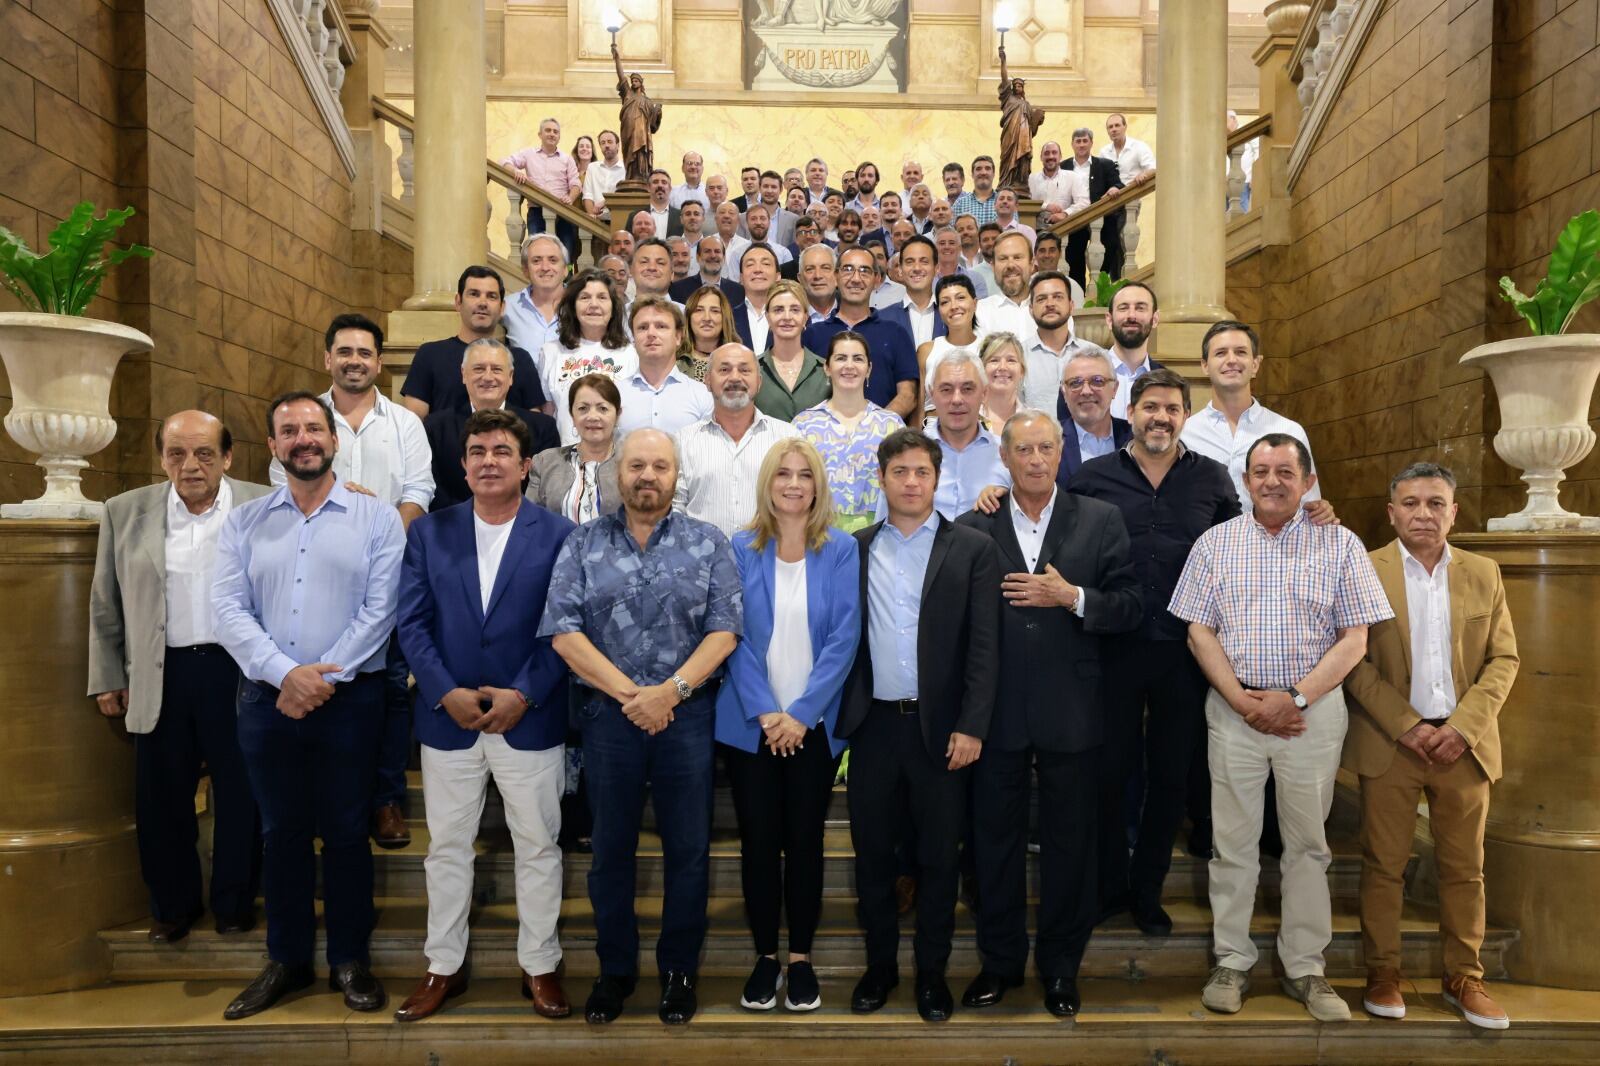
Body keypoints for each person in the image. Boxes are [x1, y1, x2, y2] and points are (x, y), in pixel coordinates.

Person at [1169, 433, 1393, 1023]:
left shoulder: (1340, 544)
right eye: (1261, 471)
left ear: (1307, 479)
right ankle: (1232, 960)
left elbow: (1355, 639)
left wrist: (1292, 698)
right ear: (1245, 481)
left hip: (1312, 717)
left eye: (1285, 471)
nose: (1272, 481)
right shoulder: (1216, 544)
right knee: (1233, 844)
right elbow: (1198, 632)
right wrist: (1243, 701)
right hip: (1234, 711)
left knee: (1309, 847)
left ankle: (1306, 967)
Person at [212, 391, 406, 1020]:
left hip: (352, 701)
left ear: (334, 440)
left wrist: (323, 678)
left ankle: (350, 959)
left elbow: (381, 611)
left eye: (314, 428)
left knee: (348, 834)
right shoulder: (243, 522)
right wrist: (285, 674)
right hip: (267, 703)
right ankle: (287, 959)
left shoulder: (377, 520)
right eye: (289, 430)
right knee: (282, 834)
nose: (304, 439)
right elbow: (228, 609)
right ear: (272, 446)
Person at [541, 428, 742, 1026]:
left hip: (686, 720)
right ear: (617, 474)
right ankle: (616, 970)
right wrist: (634, 696)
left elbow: (726, 630)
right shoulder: (582, 544)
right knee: (610, 854)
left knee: (688, 851)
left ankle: (679, 971)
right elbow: (562, 631)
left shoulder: (709, 543)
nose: (647, 476)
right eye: (636, 466)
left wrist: (670, 693)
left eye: (660, 465)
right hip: (610, 720)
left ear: (677, 475)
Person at [393, 409, 578, 1022]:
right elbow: (412, 623)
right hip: (449, 718)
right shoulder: (430, 533)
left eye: (502, 451)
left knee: (538, 846)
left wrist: (523, 694)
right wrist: (443, 690)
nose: (488, 460)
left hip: (530, 717)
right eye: (477, 451)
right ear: (463, 463)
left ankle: (541, 965)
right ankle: (442, 966)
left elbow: (567, 629)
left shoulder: (559, 536)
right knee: (446, 847)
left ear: (526, 465)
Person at [955, 410, 1140, 1017]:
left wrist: (1072, 597)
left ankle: (1061, 967)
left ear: (1062, 454)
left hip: (1074, 708)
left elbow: (1132, 606)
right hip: (996, 711)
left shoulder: (1100, 519)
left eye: (1045, 448)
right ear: (1003, 458)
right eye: (1023, 450)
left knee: (1070, 844)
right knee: (993, 843)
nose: (1035, 459)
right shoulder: (972, 524)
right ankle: (1001, 963)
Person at [1343, 463, 1519, 1030]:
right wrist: (1408, 725)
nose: (1424, 513)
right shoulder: (1363, 569)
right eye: (1412, 503)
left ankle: (1464, 978)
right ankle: (1383, 974)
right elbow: (1353, 663)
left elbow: (1504, 660)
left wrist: (1462, 728)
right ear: (1391, 512)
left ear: (1454, 512)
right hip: (1392, 741)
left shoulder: (1484, 572)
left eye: (1436, 503)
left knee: (1465, 870)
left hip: (1464, 746)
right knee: (1384, 866)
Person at [1064, 370, 1241, 934]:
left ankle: (1148, 891)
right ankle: (1110, 887)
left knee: (1169, 778)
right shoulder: (1093, 478)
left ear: (1185, 415)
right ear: (1130, 411)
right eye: (1149, 407)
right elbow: (1062, 543)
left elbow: (1243, 548)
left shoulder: (1212, 478)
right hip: (1110, 649)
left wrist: (1314, 514)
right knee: (1109, 773)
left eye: (1171, 408)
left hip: (1185, 652)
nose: (1160, 417)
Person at [837, 429, 1001, 1023]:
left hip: (943, 733)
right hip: (873, 728)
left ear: (936, 480)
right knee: (873, 857)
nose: (910, 482)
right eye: (899, 472)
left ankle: (931, 973)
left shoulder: (973, 549)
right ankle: (880, 968)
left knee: (938, 858)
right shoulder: (854, 549)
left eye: (921, 473)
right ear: (882, 480)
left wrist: (973, 725)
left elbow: (985, 648)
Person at [89, 410, 269, 944]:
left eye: (204, 453)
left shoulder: (264, 504)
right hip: (158, 672)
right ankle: (173, 905)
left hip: (237, 671)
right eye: (176, 454)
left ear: (228, 457)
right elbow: (106, 603)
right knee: (162, 797)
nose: (190, 465)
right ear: (161, 457)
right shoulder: (125, 512)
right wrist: (106, 676)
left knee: (242, 795)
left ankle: (235, 902)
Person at [271, 314, 432, 849]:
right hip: (312, 575)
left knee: (386, 689)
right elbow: (286, 491)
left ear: (379, 363)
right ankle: (325, 802)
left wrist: (379, 534)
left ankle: (385, 799)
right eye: (345, 352)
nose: (355, 360)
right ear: (328, 359)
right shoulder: (302, 422)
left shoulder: (405, 423)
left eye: (365, 353)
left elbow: (418, 493)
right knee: (321, 678)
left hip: (390, 575)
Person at [715, 440, 862, 1012]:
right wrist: (769, 713)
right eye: (784, 474)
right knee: (758, 845)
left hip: (815, 728)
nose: (794, 484)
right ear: (768, 483)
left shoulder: (842, 549)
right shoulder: (739, 547)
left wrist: (799, 715)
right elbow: (732, 636)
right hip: (753, 726)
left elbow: (844, 639)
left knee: (804, 843)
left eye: (805, 475)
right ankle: (764, 958)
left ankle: (800, 959)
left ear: (818, 485)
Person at [1181, 319, 1321, 510]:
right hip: (1202, 538)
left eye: (1241, 352)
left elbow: (1310, 506)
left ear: (1255, 364)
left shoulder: (1289, 431)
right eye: (1221, 353)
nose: (1231, 360)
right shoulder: (1184, 433)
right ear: (1205, 365)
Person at [674, 344, 801, 536]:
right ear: (707, 380)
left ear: (758, 381)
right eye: (724, 370)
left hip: (768, 558)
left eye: (744, 370)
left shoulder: (788, 438)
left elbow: (801, 504)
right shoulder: (684, 441)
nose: (734, 377)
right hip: (703, 562)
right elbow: (676, 510)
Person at [424, 338, 559, 511]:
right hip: (453, 528)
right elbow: (433, 488)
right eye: (479, 369)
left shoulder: (542, 428)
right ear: (464, 374)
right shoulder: (436, 427)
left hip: (522, 528)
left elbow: (544, 492)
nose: (488, 377)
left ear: (510, 377)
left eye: (496, 369)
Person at [794, 332, 905, 531]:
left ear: (869, 369)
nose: (849, 366)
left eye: (858, 359)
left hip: (880, 536)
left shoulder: (891, 425)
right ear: (827, 368)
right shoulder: (804, 425)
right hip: (818, 535)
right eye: (841, 358)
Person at [401, 266, 546, 419]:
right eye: (474, 294)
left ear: (502, 307)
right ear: (458, 302)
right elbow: (414, 423)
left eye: (491, 296)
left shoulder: (520, 359)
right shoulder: (430, 355)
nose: (482, 303)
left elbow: (535, 424)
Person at [801, 245, 920, 420]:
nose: (856, 279)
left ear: (877, 279)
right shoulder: (811, 335)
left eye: (864, 271)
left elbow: (908, 395)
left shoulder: (895, 333)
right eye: (848, 270)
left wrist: (873, 427)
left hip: (882, 439)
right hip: (825, 437)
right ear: (836, 276)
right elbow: (805, 394)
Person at [540, 269, 638, 444]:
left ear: (613, 306)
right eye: (584, 297)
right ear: (572, 305)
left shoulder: (631, 353)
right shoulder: (550, 351)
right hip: (566, 456)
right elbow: (548, 413)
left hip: (616, 457)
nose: (594, 304)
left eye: (602, 297)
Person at [527, 373, 623, 524]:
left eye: (602, 408)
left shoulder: (634, 465)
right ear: (572, 415)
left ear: (617, 414)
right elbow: (530, 521)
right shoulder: (545, 462)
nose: (592, 416)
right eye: (583, 408)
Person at [617, 296, 713, 438]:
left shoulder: (703, 396)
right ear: (633, 339)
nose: (651, 333)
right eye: (642, 328)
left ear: (678, 337)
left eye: (661, 326)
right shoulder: (616, 394)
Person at [977, 231, 1055, 407]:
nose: (1010, 265)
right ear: (993, 266)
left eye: (1017, 257)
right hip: (997, 414)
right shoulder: (980, 312)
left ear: (1032, 263)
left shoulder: (1053, 311)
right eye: (1003, 259)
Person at [499, 117, 581, 261]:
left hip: (563, 213)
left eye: (555, 132)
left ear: (559, 136)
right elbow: (504, 162)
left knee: (566, 254)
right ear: (540, 134)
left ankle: (566, 282)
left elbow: (576, 184)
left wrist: (571, 197)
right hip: (536, 212)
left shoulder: (567, 159)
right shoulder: (529, 154)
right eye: (548, 130)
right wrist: (516, 172)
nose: (552, 134)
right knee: (535, 251)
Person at [755, 279, 830, 421]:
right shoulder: (752, 369)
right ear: (768, 317)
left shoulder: (826, 371)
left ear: (805, 317)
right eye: (778, 310)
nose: (787, 317)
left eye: (795, 310)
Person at [1056, 348, 1130, 485]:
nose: (1086, 391)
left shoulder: (1135, 439)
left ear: (1115, 388)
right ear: (1064, 393)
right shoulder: (1049, 441)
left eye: (1097, 381)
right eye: (1075, 383)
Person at [1063, 126, 1125, 284]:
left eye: (1085, 141)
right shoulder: (1063, 167)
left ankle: (1100, 287)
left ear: (1091, 143)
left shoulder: (1105, 165)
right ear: (1072, 144)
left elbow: (1119, 184)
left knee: (1109, 248)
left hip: (1102, 218)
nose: (1082, 144)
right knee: (1074, 260)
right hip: (1075, 220)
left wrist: (1114, 187)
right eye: (1078, 141)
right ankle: (1079, 295)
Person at [1097, 281, 1164, 419]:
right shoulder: (1083, 376)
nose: (1131, 316)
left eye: (1140, 308)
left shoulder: (1167, 382)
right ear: (1109, 320)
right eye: (1123, 308)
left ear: (1155, 319)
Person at [917, 273, 984, 410]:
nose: (953, 306)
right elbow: (919, 406)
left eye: (960, 298)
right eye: (945, 302)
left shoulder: (988, 349)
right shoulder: (927, 351)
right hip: (932, 427)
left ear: (975, 303)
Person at [500, 235, 568, 358]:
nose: (545, 267)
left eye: (553, 260)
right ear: (526, 270)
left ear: (565, 269)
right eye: (536, 261)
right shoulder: (509, 306)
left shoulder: (582, 305)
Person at [997, 45, 1045, 191]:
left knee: (1023, 159)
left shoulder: (1026, 104)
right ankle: (1007, 182)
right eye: (1015, 84)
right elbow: (1004, 79)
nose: (1018, 86)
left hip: (1024, 137)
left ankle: (1021, 182)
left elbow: (1032, 128)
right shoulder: (1008, 99)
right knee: (1008, 159)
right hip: (1011, 134)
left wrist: (1038, 120)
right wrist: (1003, 61)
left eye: (1020, 85)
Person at [613, 43, 661, 182]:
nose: (633, 83)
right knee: (629, 152)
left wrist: (657, 112)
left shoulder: (647, 101)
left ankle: (641, 175)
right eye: (632, 81)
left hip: (642, 133)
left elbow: (652, 126)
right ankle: (630, 175)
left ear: (641, 83)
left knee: (641, 153)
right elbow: (621, 76)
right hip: (628, 128)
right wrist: (617, 59)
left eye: (636, 81)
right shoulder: (627, 93)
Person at [681, 283, 739, 381]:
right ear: (688, 317)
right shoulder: (673, 362)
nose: (707, 318)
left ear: (725, 318)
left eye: (715, 311)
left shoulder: (741, 359)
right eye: (699, 310)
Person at [669, 233, 745, 306]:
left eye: (717, 251)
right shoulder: (677, 289)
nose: (713, 255)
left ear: (724, 257)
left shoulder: (738, 291)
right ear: (698, 257)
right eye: (707, 251)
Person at [897, 234, 944, 348]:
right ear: (900, 269)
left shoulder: (952, 315)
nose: (917, 268)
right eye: (909, 262)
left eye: (924, 261)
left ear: (936, 268)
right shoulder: (883, 318)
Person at [731, 243, 780, 351]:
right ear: (741, 278)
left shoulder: (791, 317)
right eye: (750, 265)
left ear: (778, 276)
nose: (758, 269)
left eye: (766, 264)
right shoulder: (728, 317)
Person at [977, 332, 1026, 429]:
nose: (1003, 367)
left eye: (1011, 360)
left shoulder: (1034, 422)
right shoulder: (966, 419)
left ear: (1022, 371)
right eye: (994, 360)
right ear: (982, 369)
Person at [580, 129, 626, 226]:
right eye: (603, 143)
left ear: (617, 145)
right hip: (597, 222)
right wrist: (592, 215)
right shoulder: (592, 167)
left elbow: (625, 196)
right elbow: (587, 195)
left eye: (610, 142)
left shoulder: (626, 169)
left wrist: (605, 202)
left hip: (619, 220)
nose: (606, 145)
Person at [627, 169, 682, 239]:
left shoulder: (681, 216)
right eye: (655, 182)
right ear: (648, 188)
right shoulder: (634, 216)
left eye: (664, 182)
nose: (660, 185)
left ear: (670, 189)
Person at [951, 155, 998, 225]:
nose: (983, 172)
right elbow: (953, 233)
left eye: (988, 168)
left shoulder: (1005, 202)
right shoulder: (960, 204)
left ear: (994, 174)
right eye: (978, 169)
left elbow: (1013, 231)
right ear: (972, 174)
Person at [629, 237, 675, 303]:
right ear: (631, 270)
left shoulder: (687, 313)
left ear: (672, 274)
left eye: (660, 263)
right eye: (644, 261)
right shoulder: (617, 313)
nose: (652, 267)